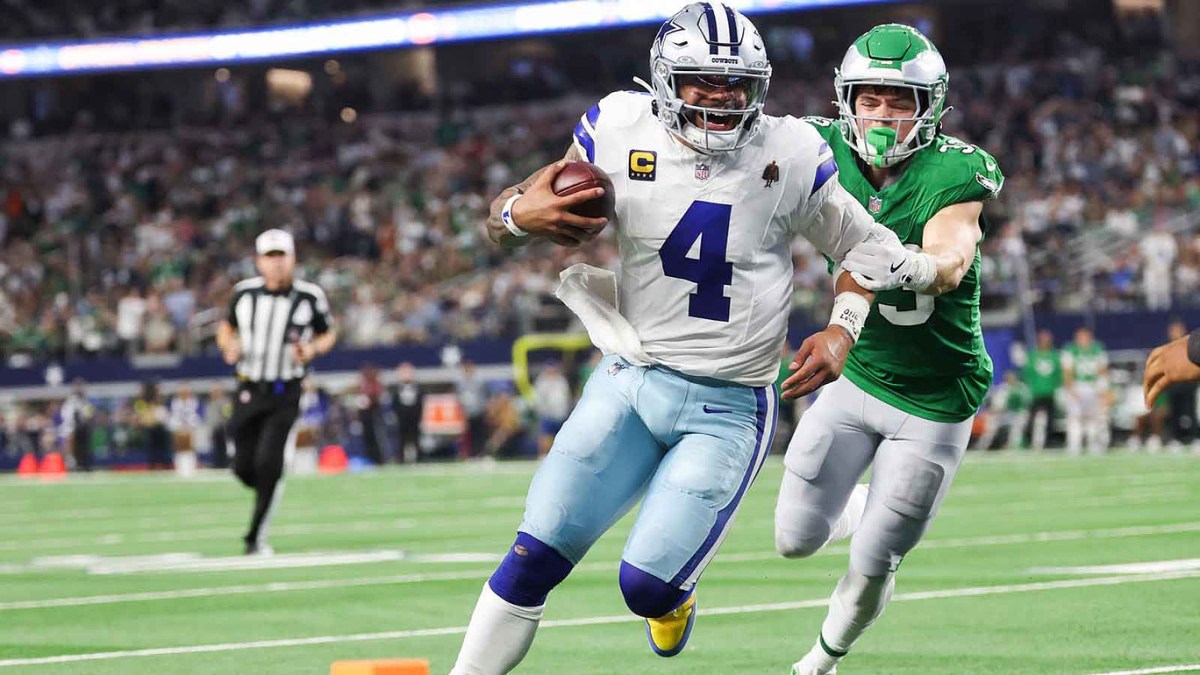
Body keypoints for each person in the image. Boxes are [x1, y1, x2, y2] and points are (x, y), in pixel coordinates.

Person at [449, 5, 915, 672]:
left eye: (737, 84)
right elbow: (508, 210)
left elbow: (868, 251)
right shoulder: (616, 125)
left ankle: (674, 597)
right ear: (666, 79)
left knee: (645, 586)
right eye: (702, 82)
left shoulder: (789, 150)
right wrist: (517, 212)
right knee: (533, 554)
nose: (723, 99)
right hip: (630, 379)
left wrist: (843, 331)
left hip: (727, 406)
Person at [771, 24, 1005, 674]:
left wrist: (907, 266)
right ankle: (859, 502)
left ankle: (820, 660)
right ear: (846, 98)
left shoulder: (955, 171)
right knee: (793, 538)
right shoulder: (814, 144)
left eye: (898, 101)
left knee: (874, 560)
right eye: (870, 99)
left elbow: (952, 256)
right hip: (860, 374)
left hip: (935, 396)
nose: (881, 114)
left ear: (929, 109)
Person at [216, 229, 336, 555]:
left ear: (293, 258)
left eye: (281, 256)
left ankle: (255, 536)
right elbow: (226, 328)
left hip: (286, 389)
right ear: (258, 261)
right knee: (242, 464)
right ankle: (267, 487)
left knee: (269, 461)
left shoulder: (309, 296)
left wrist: (311, 350)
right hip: (249, 386)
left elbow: (327, 333)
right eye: (270, 257)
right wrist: (228, 346)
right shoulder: (244, 294)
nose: (276, 263)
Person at [1062, 325, 1109, 455]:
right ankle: (1074, 444)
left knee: (1094, 417)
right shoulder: (1070, 350)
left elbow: (1103, 370)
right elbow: (1067, 371)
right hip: (1078, 385)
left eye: (1085, 336)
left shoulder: (1097, 349)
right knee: (1075, 417)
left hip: (1093, 386)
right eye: (1080, 337)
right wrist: (1070, 388)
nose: (1082, 339)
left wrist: (1103, 387)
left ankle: (1093, 444)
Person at [1024, 329, 1063, 451]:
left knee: (1051, 419)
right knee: (1031, 418)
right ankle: (1028, 441)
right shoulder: (1033, 356)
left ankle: (1049, 441)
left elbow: (1058, 374)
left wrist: (1057, 386)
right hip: (1036, 391)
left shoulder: (1054, 356)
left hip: (1050, 391)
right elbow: (1027, 374)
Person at [976, 371, 1031, 451]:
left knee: (1018, 423)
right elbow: (996, 407)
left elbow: (1026, 403)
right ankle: (982, 446)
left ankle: (1013, 446)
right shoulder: (1002, 389)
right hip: (1002, 415)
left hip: (1016, 414)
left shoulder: (1021, 388)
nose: (1011, 380)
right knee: (991, 425)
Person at [531, 360, 571, 457]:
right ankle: (543, 456)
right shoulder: (541, 383)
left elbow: (566, 397)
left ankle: (562, 457)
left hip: (561, 415)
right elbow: (538, 400)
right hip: (547, 415)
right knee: (545, 438)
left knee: (563, 438)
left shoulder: (561, 381)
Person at [391, 362, 424, 463]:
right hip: (402, 418)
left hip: (414, 418)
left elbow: (420, 402)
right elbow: (395, 404)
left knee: (416, 438)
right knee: (401, 439)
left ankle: (419, 459)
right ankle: (401, 460)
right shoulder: (396, 388)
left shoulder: (418, 387)